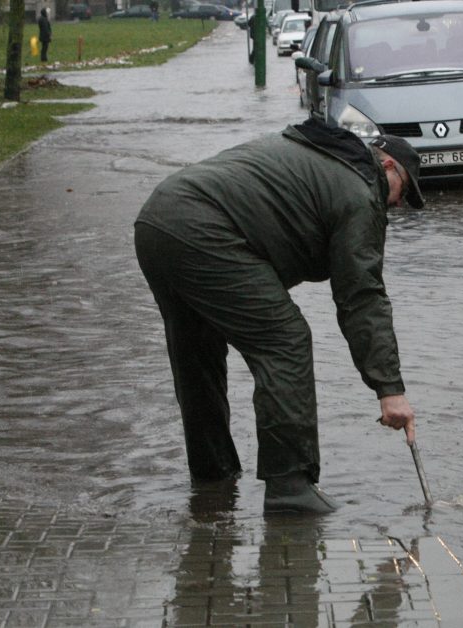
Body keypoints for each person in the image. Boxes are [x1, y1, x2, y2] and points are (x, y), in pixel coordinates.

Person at [134, 118, 423, 514]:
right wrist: (390, 389)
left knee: (196, 349)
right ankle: (290, 487)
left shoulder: (318, 157)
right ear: (387, 167)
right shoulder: (360, 191)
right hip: (204, 229)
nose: (396, 205)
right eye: (402, 192)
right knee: (286, 342)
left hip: (157, 219)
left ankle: (212, 478)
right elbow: (362, 296)